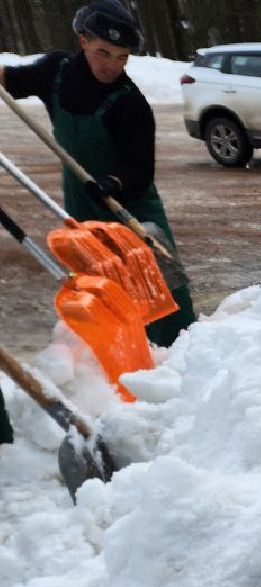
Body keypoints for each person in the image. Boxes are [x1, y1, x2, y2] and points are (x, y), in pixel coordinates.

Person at [0, 1, 195, 347]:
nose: (112, 66)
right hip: (81, 198)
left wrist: (113, 183)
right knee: (101, 282)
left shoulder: (129, 102)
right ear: (83, 41)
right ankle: (118, 349)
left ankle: (178, 353)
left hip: (131, 207)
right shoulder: (56, 71)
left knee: (159, 286)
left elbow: (140, 170)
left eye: (122, 57)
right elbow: (11, 81)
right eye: (104, 52)